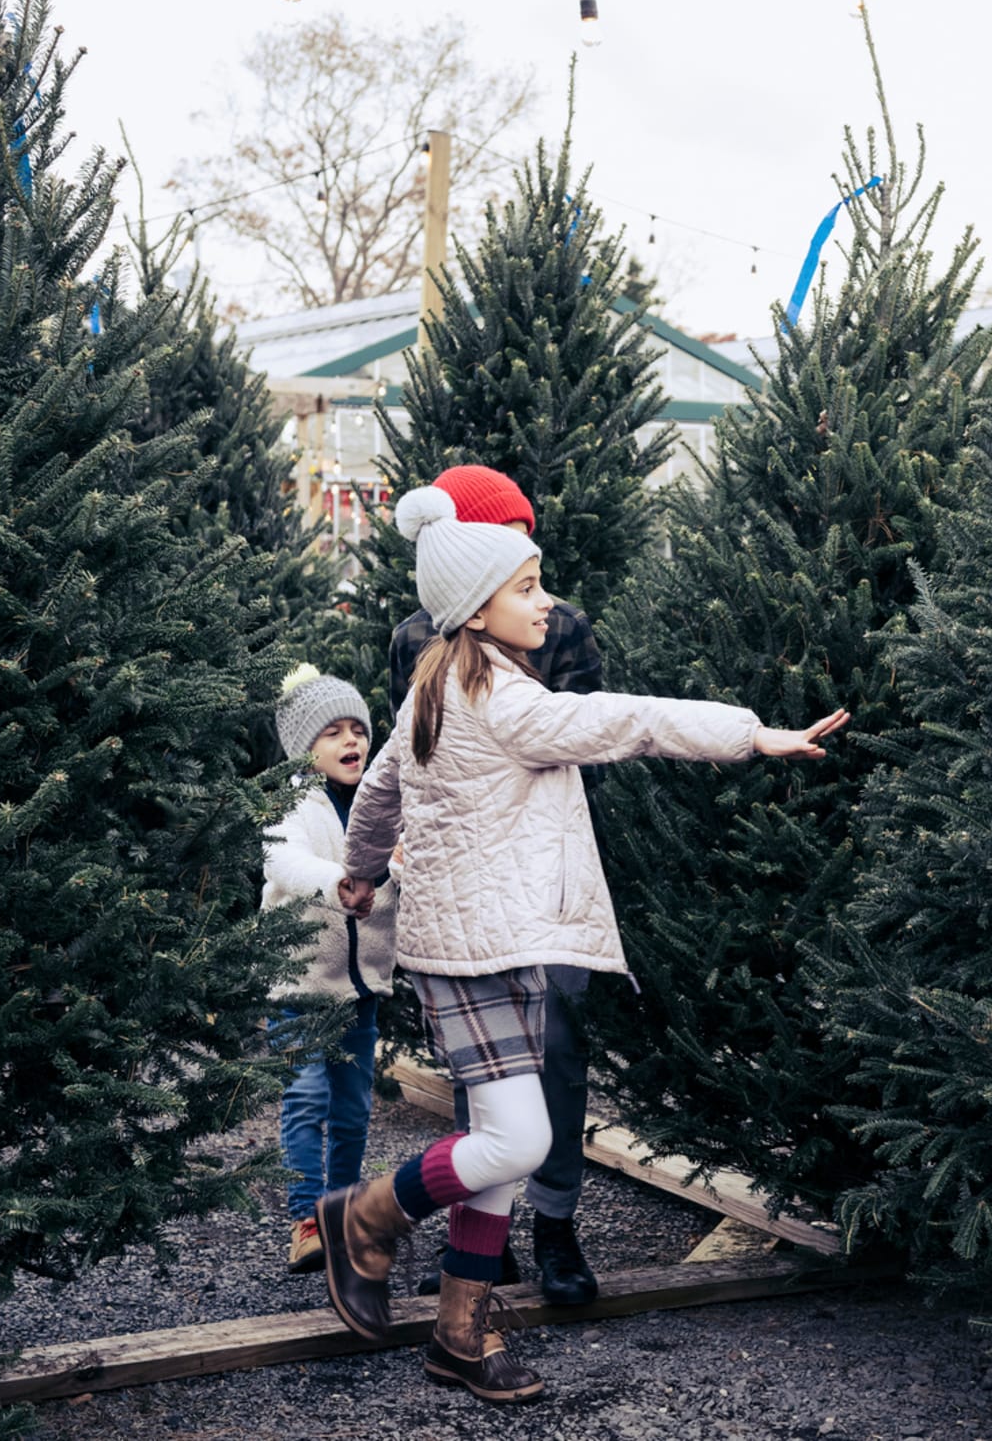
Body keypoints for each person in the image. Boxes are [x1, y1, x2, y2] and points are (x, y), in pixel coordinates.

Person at [313, 484, 846, 1405]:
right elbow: (627, 720)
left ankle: (458, 1337)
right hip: (478, 948)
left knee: (497, 1146)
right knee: (521, 1138)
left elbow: (380, 795)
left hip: (493, 941)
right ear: (476, 609)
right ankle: (365, 1213)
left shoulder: (434, 686)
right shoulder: (506, 703)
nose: (546, 601)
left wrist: (362, 872)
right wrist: (754, 735)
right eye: (527, 588)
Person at [385, 464, 603, 1305]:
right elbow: (410, 759)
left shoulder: (565, 626)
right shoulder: (417, 637)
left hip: (547, 875)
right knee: (494, 1063)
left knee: (559, 1045)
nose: (525, 557)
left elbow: (591, 738)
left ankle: (557, 1225)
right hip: (467, 882)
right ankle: (488, 1232)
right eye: (505, 535)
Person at [258, 665, 398, 1276]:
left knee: (350, 1106)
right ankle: (305, 1219)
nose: (352, 742)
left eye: (358, 731)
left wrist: (393, 869)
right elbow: (283, 861)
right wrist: (336, 883)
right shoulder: (290, 803)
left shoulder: (382, 801)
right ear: (304, 748)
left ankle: (342, 1212)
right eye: (334, 733)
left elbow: (405, 861)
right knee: (306, 1093)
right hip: (300, 984)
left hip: (360, 985)